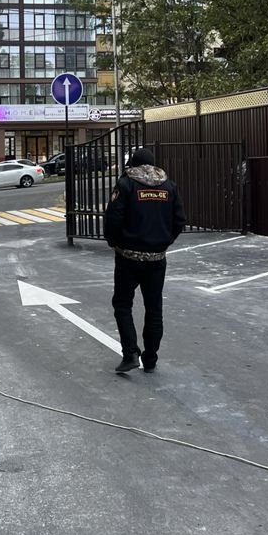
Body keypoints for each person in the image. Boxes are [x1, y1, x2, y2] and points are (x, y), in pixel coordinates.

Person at [104, 147, 186, 374]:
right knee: (154, 307)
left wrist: (114, 242)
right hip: (157, 258)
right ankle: (151, 358)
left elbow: (113, 218)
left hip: (128, 257)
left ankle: (130, 353)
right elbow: (179, 220)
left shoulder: (126, 185)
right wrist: (164, 241)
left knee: (122, 304)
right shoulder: (169, 187)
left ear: (133, 164)